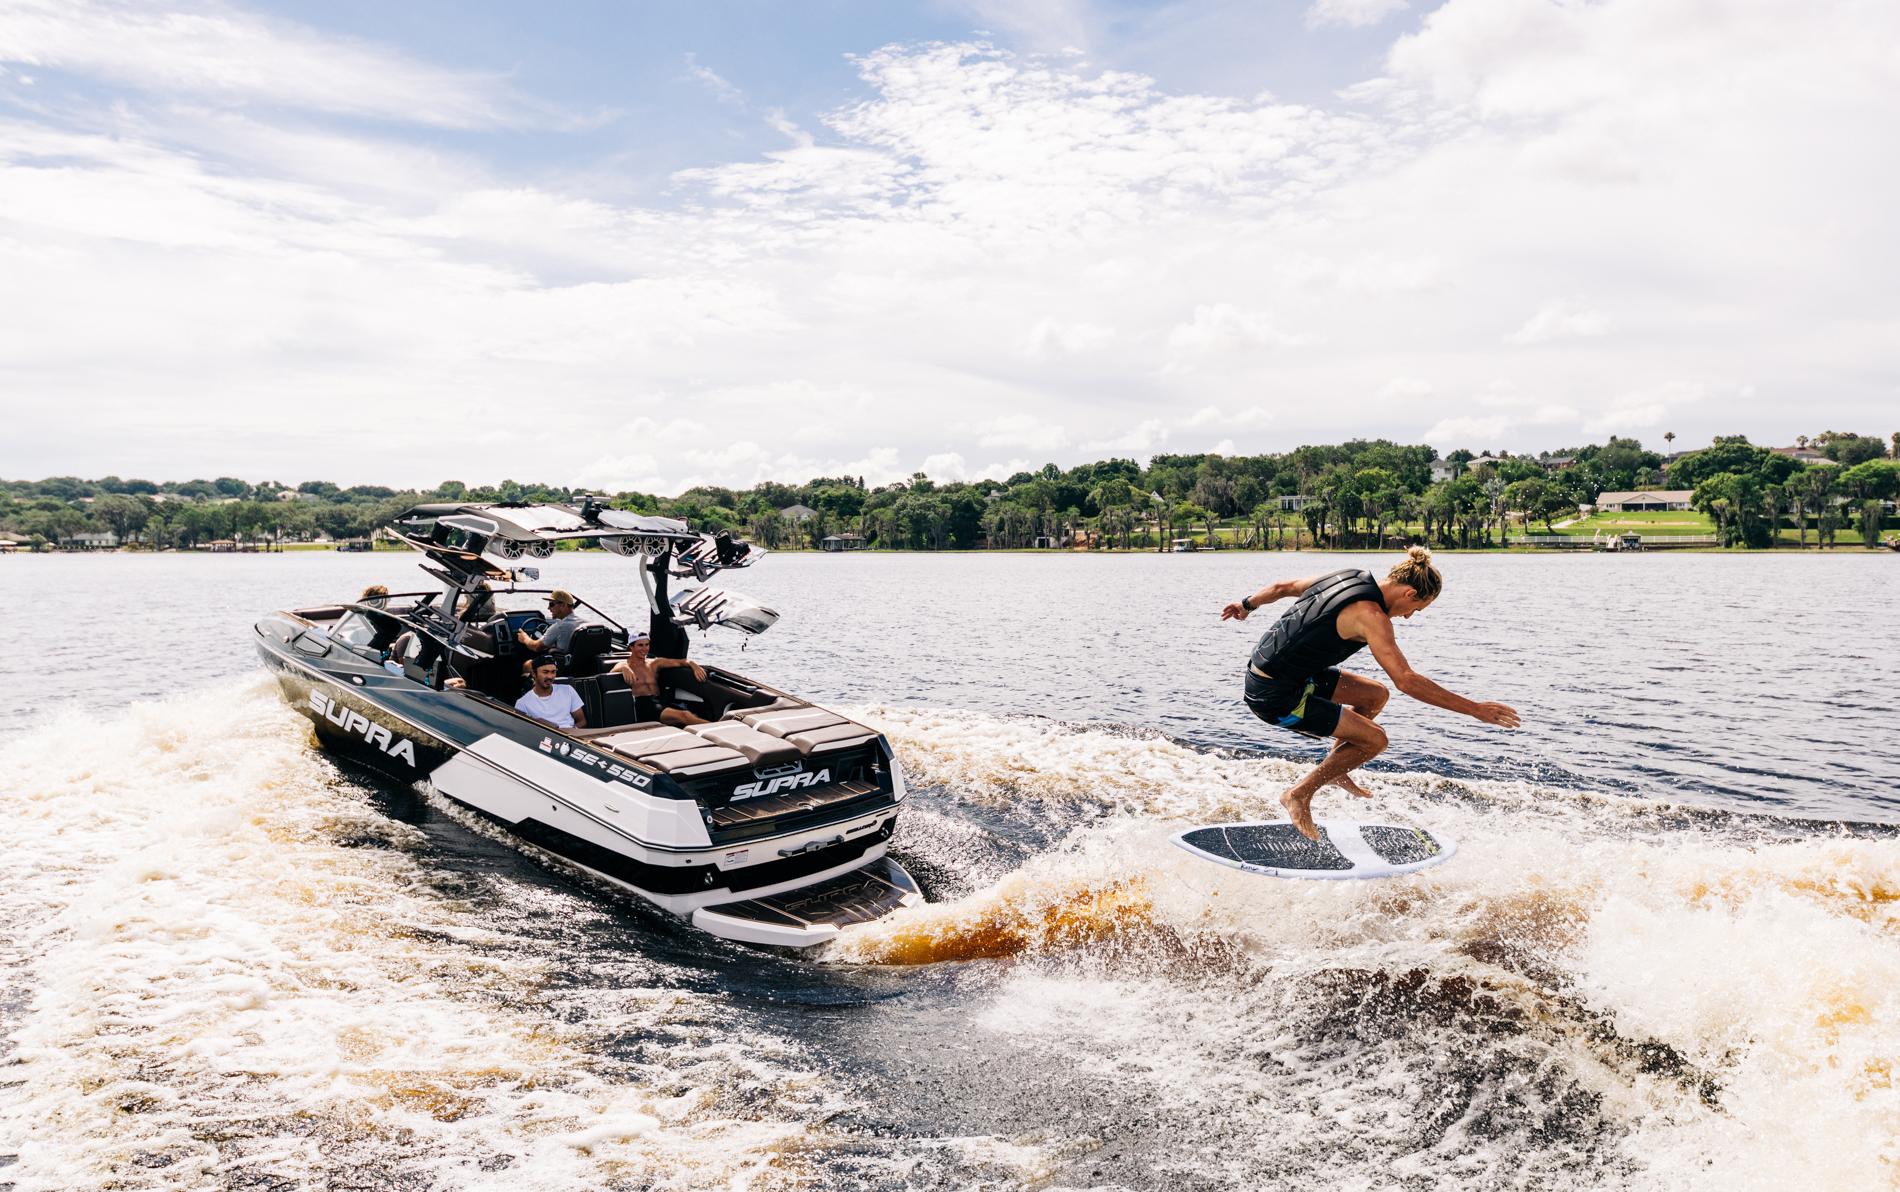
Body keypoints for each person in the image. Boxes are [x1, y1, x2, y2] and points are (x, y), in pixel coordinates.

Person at [1220, 546, 1521, 840]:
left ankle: (1335, 766)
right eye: (1415, 609)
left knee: (1375, 695)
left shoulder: (1346, 576)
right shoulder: (1372, 616)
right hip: (1274, 696)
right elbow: (1407, 681)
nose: (1407, 617)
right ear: (1410, 594)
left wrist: (1246, 605)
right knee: (1376, 740)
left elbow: (1282, 586)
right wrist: (1474, 709)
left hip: (1283, 675)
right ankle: (1298, 795)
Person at [609, 631, 711, 726]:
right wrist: (624, 668)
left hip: (659, 701)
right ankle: (718, 730)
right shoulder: (624, 665)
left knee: (692, 715)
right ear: (631, 646)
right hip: (643, 705)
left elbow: (682, 662)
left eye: (647, 644)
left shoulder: (654, 663)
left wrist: (694, 666)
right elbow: (611, 673)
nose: (644, 649)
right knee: (685, 716)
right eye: (640, 645)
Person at [515, 656, 586, 729]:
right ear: (533, 673)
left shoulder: (567, 690)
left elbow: (582, 721)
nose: (550, 676)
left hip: (571, 736)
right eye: (545, 672)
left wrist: (573, 732)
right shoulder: (523, 703)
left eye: (553, 672)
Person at [518, 590, 582, 657]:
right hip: (581, 665)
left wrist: (525, 638)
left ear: (563, 605)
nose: (548, 608)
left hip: (563, 665)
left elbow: (536, 647)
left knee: (527, 664)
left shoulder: (558, 627)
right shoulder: (586, 623)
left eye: (552, 604)